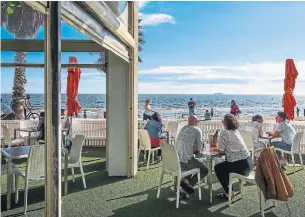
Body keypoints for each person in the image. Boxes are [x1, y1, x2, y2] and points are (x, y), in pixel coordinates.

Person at [214, 114, 254, 200]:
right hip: (249, 164)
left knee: (218, 168)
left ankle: (228, 193)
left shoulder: (224, 132)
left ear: (225, 123)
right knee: (225, 166)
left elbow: (220, 150)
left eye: (223, 121)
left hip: (241, 166)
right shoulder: (236, 131)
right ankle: (229, 190)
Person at [175, 115, 208, 198]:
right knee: (204, 169)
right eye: (197, 121)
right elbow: (199, 148)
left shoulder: (183, 128)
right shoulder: (197, 130)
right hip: (185, 161)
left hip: (176, 161)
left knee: (194, 163)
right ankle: (188, 186)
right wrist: (197, 150)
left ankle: (184, 181)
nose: (198, 123)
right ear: (194, 122)